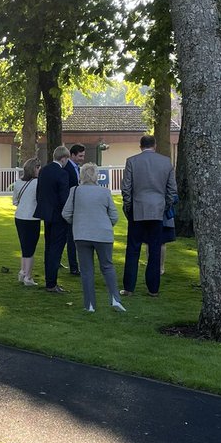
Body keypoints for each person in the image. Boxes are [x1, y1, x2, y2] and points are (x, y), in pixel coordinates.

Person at [62, 162, 125, 312]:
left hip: (82, 234)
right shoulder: (104, 192)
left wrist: (77, 222)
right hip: (103, 234)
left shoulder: (75, 191)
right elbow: (114, 216)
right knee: (107, 266)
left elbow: (66, 213)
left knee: (86, 270)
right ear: (96, 176)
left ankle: (90, 304)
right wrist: (105, 225)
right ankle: (115, 299)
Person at [121, 134, 177, 297]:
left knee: (132, 249)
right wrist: (164, 206)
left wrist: (129, 207)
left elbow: (126, 189)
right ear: (155, 145)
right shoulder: (166, 162)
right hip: (157, 211)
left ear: (140, 146)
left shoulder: (132, 161)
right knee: (154, 250)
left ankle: (129, 288)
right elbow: (172, 190)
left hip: (137, 209)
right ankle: (153, 289)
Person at [34, 145, 71, 294]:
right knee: (56, 250)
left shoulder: (44, 170)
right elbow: (64, 198)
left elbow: (39, 193)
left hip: (46, 214)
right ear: (64, 158)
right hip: (59, 216)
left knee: (49, 248)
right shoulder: (62, 173)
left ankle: (49, 281)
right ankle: (52, 283)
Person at [12, 158, 40, 286]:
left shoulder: (18, 182)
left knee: (24, 246)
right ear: (34, 169)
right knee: (30, 248)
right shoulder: (38, 183)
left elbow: (15, 201)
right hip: (32, 218)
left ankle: (23, 271)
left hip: (19, 217)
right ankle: (28, 276)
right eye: (38, 167)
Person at [64, 144, 86, 276]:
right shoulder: (67, 168)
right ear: (72, 155)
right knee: (71, 238)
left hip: (75, 206)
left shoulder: (76, 168)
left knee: (70, 237)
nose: (82, 158)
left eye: (83, 156)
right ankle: (73, 266)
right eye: (80, 156)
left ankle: (71, 264)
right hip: (70, 208)